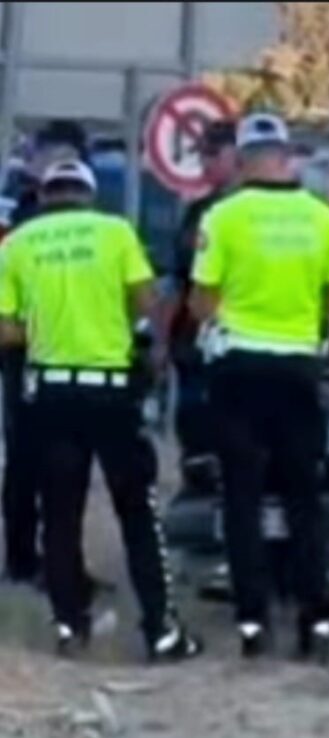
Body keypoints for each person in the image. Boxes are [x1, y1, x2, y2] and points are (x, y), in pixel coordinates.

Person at [0, 159, 202, 660]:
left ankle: (70, 626)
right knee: (137, 509)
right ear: (89, 196)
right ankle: (161, 630)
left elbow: (5, 328)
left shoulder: (18, 244)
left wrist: (44, 330)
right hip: (111, 394)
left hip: (50, 395)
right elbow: (145, 300)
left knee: (61, 513)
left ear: (45, 197)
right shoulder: (115, 233)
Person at [190, 112, 329, 663]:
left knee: (242, 499)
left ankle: (253, 624)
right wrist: (307, 323)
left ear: (240, 160)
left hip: (238, 369)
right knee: (305, 499)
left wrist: (214, 324)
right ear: (289, 157)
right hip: (297, 372)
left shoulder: (223, 215)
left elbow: (201, 300)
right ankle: (316, 620)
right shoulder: (324, 220)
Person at [1, 119, 91, 583]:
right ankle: (21, 557)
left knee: (66, 468)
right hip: (26, 354)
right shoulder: (15, 215)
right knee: (24, 461)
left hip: (77, 357)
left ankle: (61, 562)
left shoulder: (91, 218)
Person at [157, 120, 238, 487]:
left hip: (242, 349)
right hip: (195, 348)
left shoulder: (258, 211)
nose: (204, 163)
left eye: (212, 153)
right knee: (197, 444)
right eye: (201, 153)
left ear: (238, 154)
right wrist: (162, 340)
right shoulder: (197, 212)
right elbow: (178, 281)